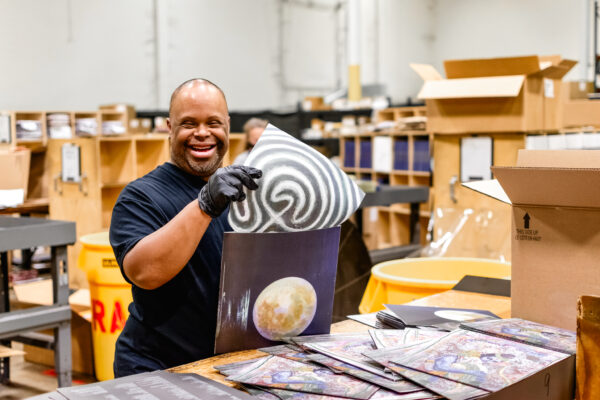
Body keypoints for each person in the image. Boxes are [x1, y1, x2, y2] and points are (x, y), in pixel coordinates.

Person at [109, 78, 262, 377]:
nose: (202, 133)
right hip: (158, 368)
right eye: (189, 123)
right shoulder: (141, 196)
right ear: (170, 126)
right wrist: (205, 204)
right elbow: (144, 273)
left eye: (213, 123)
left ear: (228, 126)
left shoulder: (248, 196)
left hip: (229, 366)